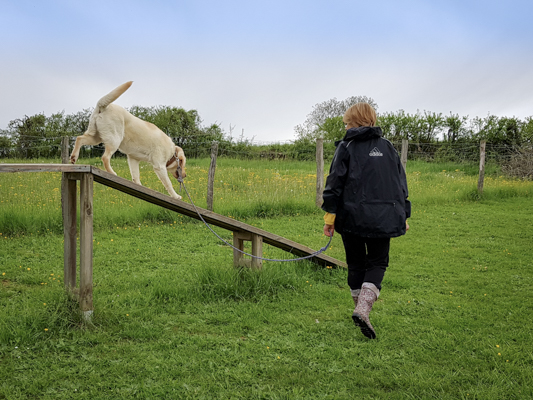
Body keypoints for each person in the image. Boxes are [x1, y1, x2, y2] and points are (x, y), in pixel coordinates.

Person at [322, 102, 411, 339]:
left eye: (347, 122)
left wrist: (330, 218)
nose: (346, 126)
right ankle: (363, 309)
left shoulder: (346, 146)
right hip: (384, 218)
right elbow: (400, 186)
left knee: (356, 264)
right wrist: (404, 215)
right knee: (377, 263)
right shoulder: (389, 148)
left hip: (351, 218)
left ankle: (360, 309)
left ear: (355, 122)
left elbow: (334, 185)